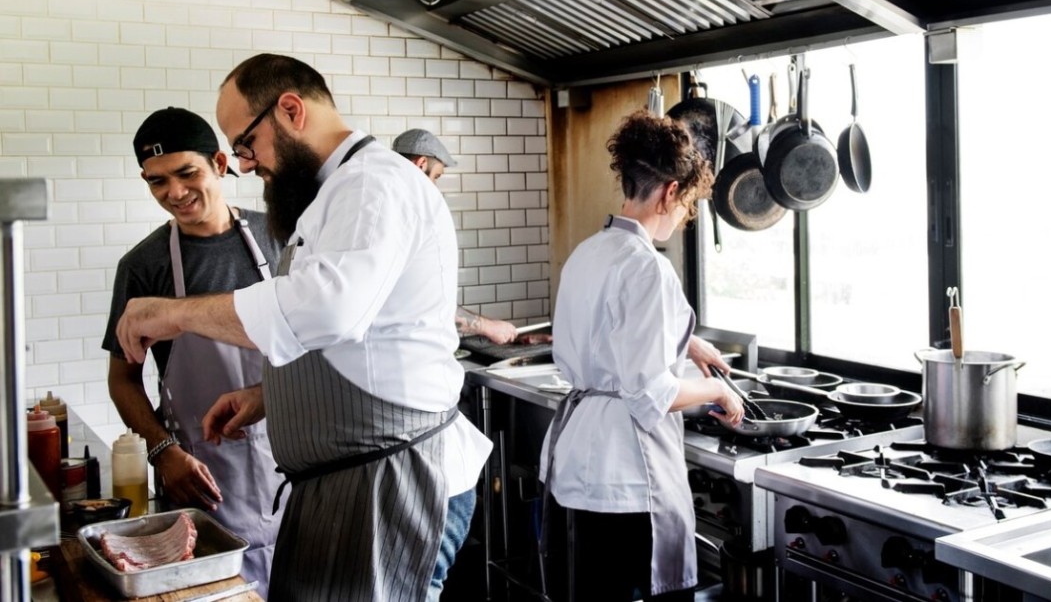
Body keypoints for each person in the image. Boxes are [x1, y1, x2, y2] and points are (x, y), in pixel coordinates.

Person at [114, 53, 492, 602]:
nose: (245, 165)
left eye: (246, 144)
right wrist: (270, 394)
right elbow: (355, 341)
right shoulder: (332, 196)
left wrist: (172, 312)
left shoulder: (371, 185)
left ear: (290, 110)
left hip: (391, 480)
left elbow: (326, 310)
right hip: (351, 482)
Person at [538, 110, 745, 601]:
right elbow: (651, 393)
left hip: (581, 463)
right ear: (670, 192)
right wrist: (718, 389)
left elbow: (611, 333)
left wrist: (685, 339)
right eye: (687, 203)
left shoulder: (590, 251)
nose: (682, 216)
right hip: (629, 475)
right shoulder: (648, 268)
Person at [101, 107, 283, 596]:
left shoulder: (281, 235)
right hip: (202, 477)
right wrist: (164, 453)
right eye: (157, 182)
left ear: (220, 164)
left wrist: (269, 395)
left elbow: (318, 343)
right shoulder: (144, 266)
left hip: (293, 463)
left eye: (187, 173)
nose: (175, 194)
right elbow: (122, 379)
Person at [392, 128, 520, 345]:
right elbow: (425, 301)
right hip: (407, 354)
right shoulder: (409, 217)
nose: (435, 187)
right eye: (437, 176)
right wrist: (487, 326)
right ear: (421, 163)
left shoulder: (389, 205)